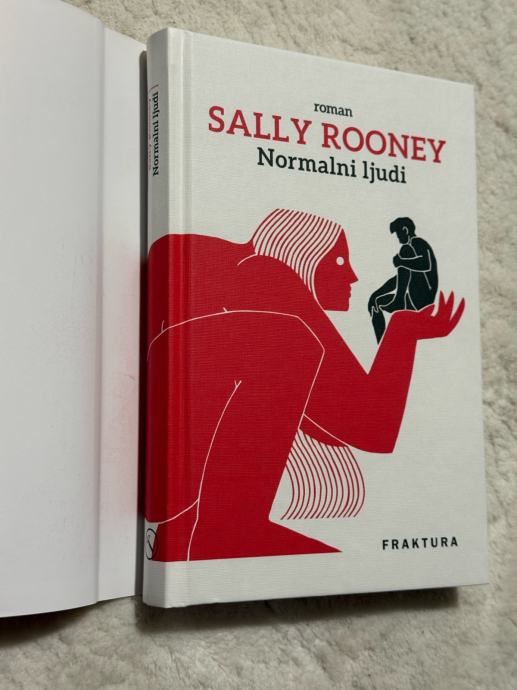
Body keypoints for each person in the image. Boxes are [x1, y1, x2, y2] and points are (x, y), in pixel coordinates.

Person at [146, 208, 463, 562]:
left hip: (164, 503)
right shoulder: (261, 272)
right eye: (339, 259)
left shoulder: (242, 279)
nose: (353, 276)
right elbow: (371, 427)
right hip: (175, 501)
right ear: (302, 251)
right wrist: (403, 331)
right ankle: (225, 529)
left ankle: (221, 529)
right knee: (293, 341)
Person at [368, 217, 438, 343]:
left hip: (423, 297)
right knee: (376, 303)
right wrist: (376, 294)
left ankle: (398, 300)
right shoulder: (409, 259)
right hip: (412, 297)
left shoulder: (418, 242)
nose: (398, 239)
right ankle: (383, 344)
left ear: (405, 230)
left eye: (398, 234)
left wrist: (401, 261)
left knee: (405, 250)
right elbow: (400, 279)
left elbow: (426, 264)